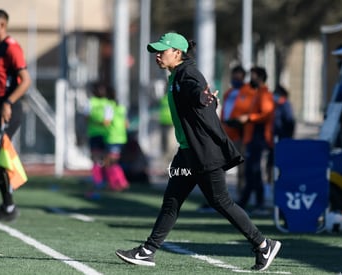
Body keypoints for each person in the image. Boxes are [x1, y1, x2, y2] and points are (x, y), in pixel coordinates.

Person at [115, 32, 281, 271]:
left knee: (221, 201)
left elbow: (195, 91)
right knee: (172, 201)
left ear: (177, 53)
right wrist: (205, 100)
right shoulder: (175, 75)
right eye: (156, 51)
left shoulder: (187, 73)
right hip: (188, 152)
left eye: (162, 51)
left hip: (203, 153)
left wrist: (203, 99)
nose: (158, 55)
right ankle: (148, 251)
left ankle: (263, 244)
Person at [0, 9, 31, 221]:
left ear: (2, 24)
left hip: (9, 106)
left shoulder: (12, 47)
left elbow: (26, 80)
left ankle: (9, 205)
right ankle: (8, 205)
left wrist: (9, 102)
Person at [197, 64, 250, 213]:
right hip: (226, 133)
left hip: (240, 135)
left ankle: (240, 200)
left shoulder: (248, 92)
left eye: (238, 77)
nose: (235, 79)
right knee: (218, 168)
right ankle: (218, 198)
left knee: (242, 170)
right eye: (234, 76)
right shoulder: (229, 93)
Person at [236, 66, 275, 215]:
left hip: (259, 138)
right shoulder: (258, 93)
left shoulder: (264, 93)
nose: (250, 79)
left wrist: (249, 118)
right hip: (252, 137)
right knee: (252, 171)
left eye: (252, 76)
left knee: (255, 171)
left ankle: (257, 203)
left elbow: (266, 114)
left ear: (259, 77)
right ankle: (246, 202)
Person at [103, 85, 129, 191]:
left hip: (112, 137)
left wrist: (97, 122)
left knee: (110, 162)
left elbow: (106, 122)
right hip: (121, 137)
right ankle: (116, 183)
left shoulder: (109, 106)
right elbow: (126, 124)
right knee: (113, 161)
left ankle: (120, 182)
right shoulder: (121, 107)